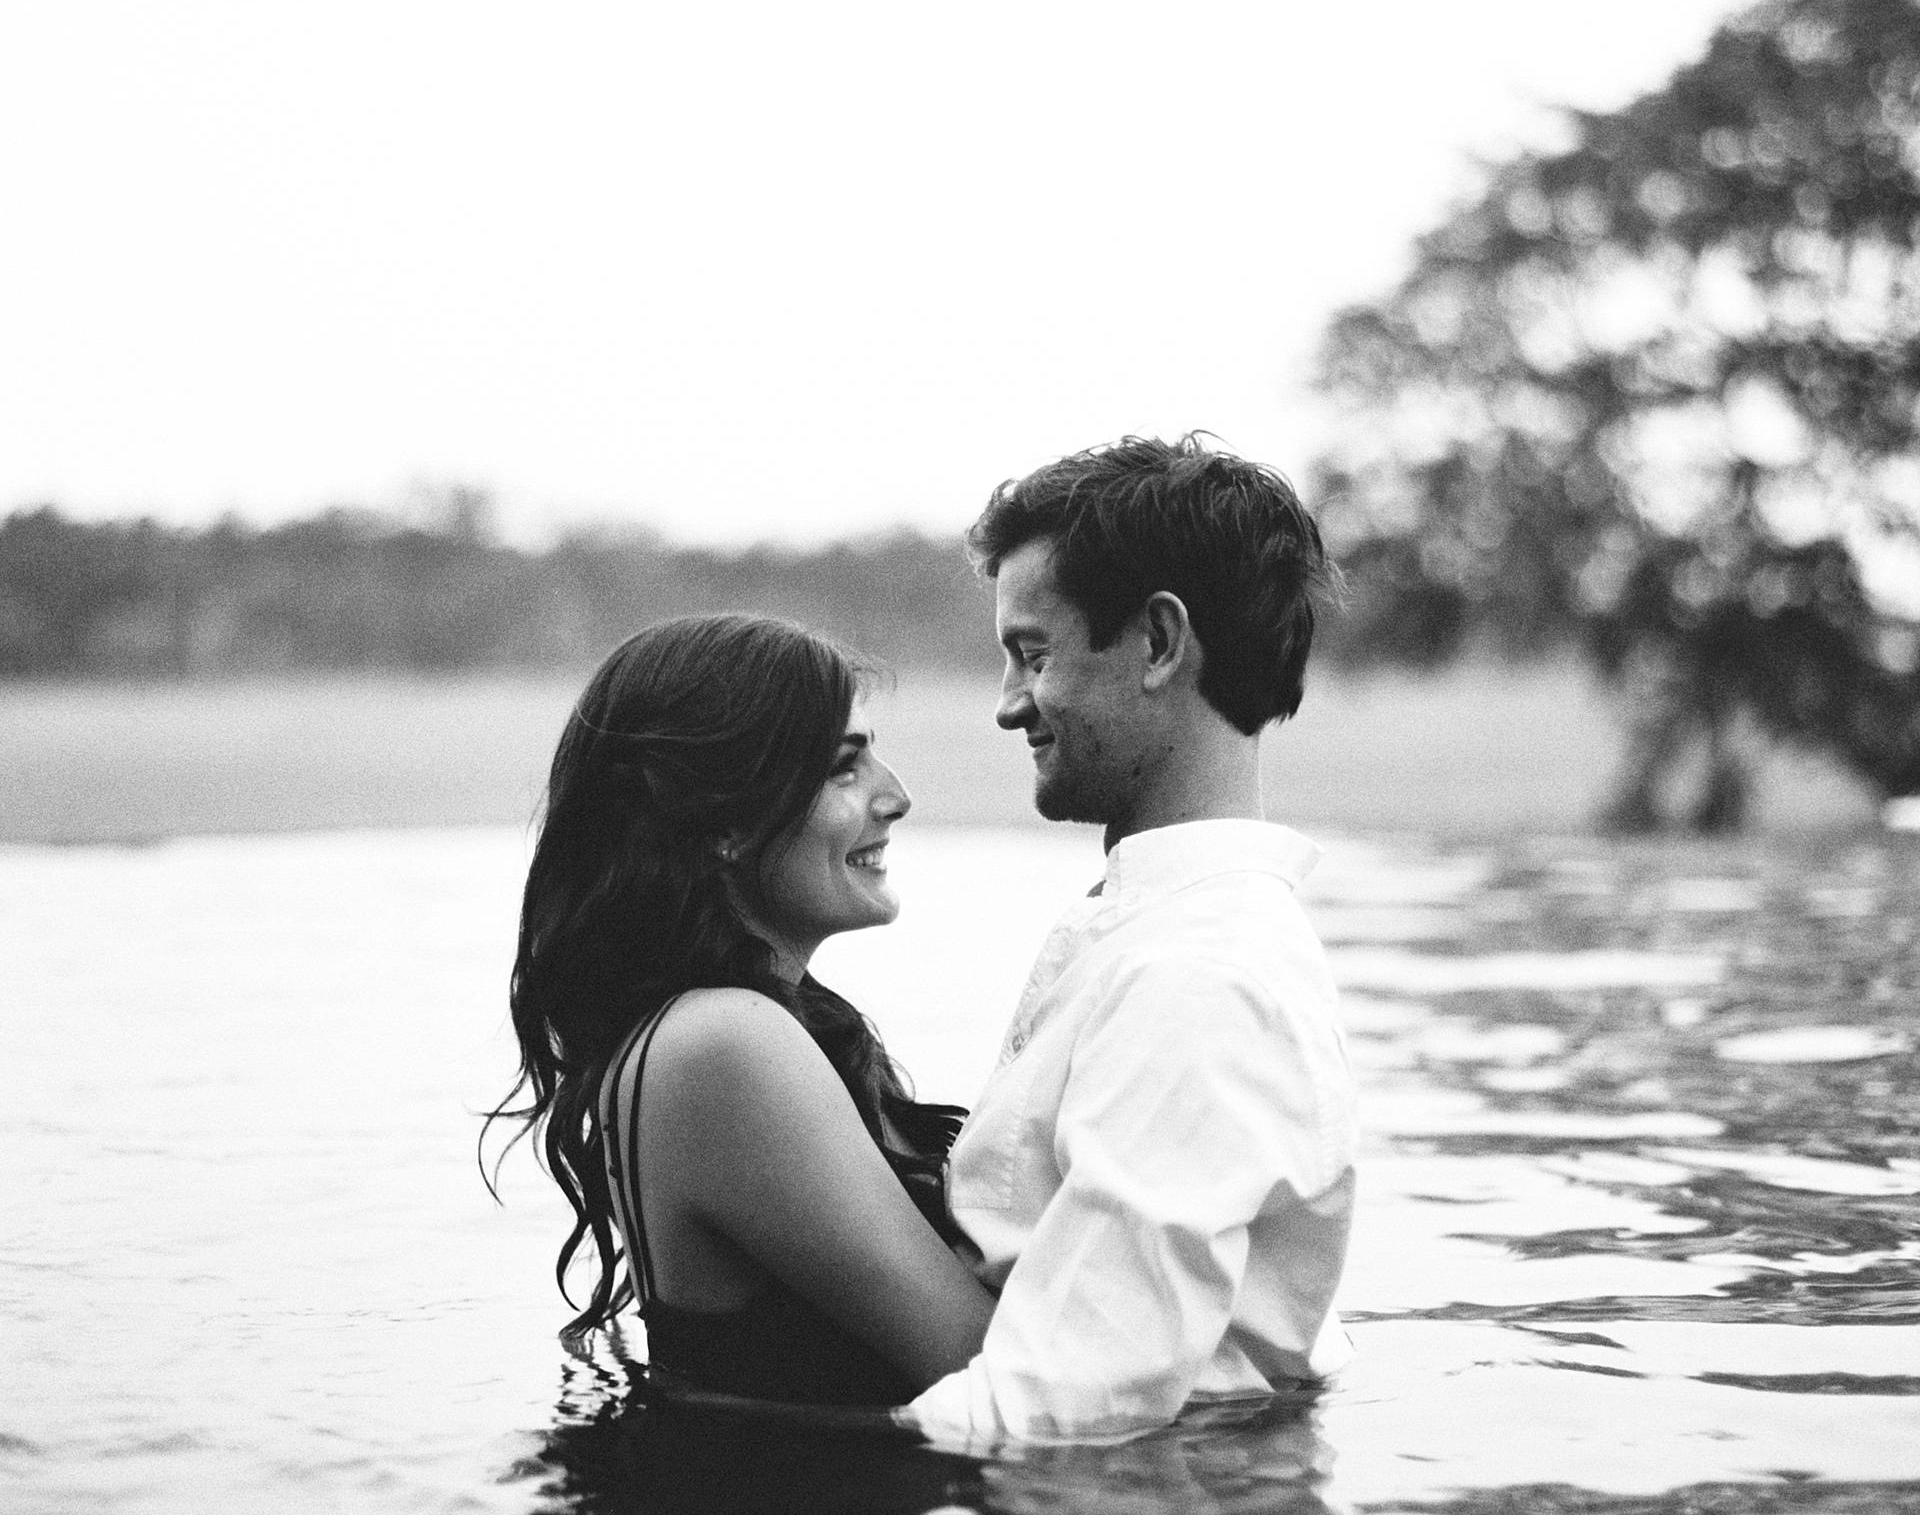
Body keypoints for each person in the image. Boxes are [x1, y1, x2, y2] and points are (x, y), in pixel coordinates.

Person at [901, 434, 1358, 1449]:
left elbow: (1065, 1404)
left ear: (1157, 642)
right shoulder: (1162, 928)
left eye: (1034, 653)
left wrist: (762, 1477)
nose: (1009, 701)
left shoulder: (1198, 975)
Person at [498, 614, 995, 1408]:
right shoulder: (723, 1044)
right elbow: (988, 1374)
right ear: (725, 822)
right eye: (843, 769)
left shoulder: (771, 1025)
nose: (897, 796)